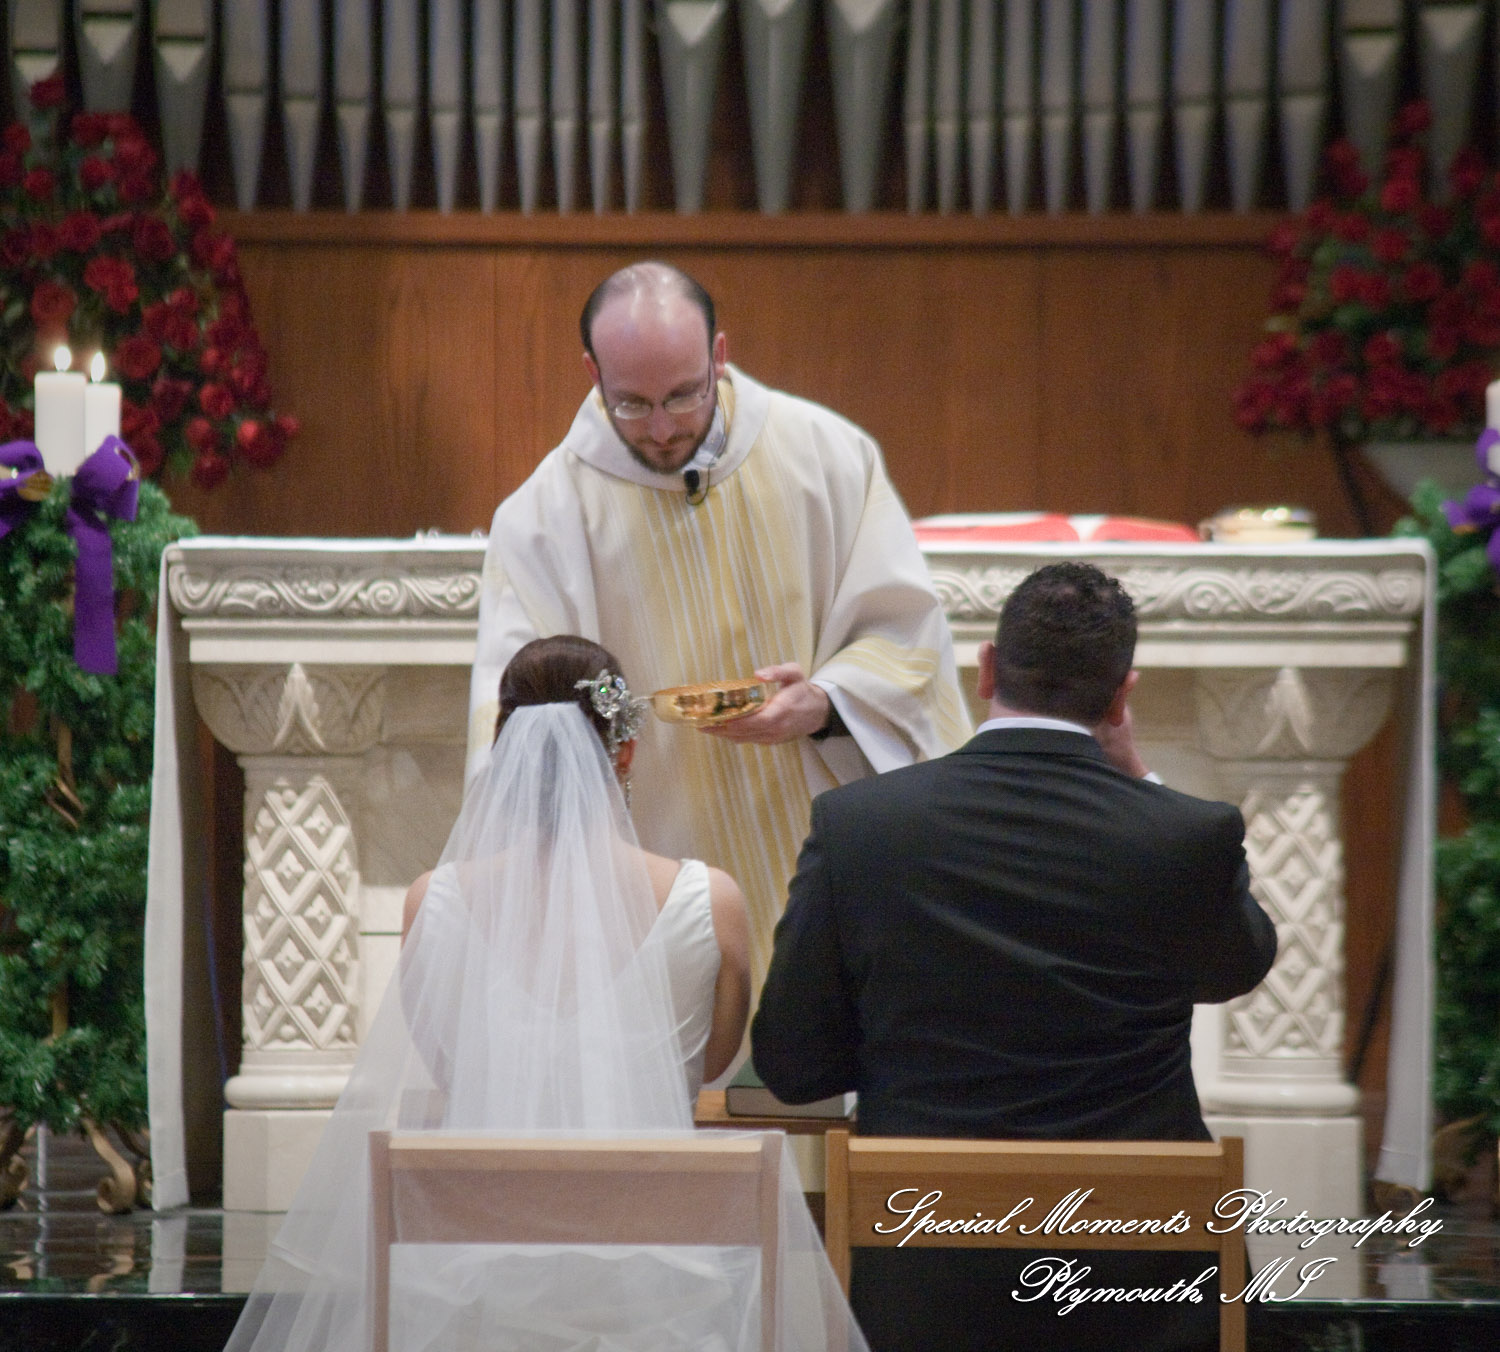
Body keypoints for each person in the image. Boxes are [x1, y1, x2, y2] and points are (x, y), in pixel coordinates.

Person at [225, 636, 867, 1352]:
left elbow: (447, 1066)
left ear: (503, 748)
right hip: (659, 1282)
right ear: (622, 752)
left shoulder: (427, 903)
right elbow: (713, 1063)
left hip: (473, 1285)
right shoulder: (708, 900)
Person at [751, 562, 1279, 1352]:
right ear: (1122, 695)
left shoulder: (861, 824)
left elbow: (791, 1064)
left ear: (988, 668)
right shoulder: (1184, 834)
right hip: (1140, 1283)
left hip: (926, 1268)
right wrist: (1146, 785)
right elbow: (1235, 966)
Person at [467, 261, 971, 1001]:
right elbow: (514, 724)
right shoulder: (544, 519)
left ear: (720, 356)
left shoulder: (827, 458)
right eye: (632, 404)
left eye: (683, 395)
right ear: (591, 373)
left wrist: (827, 702)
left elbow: (908, 640)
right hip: (652, 893)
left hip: (823, 856)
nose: (664, 429)